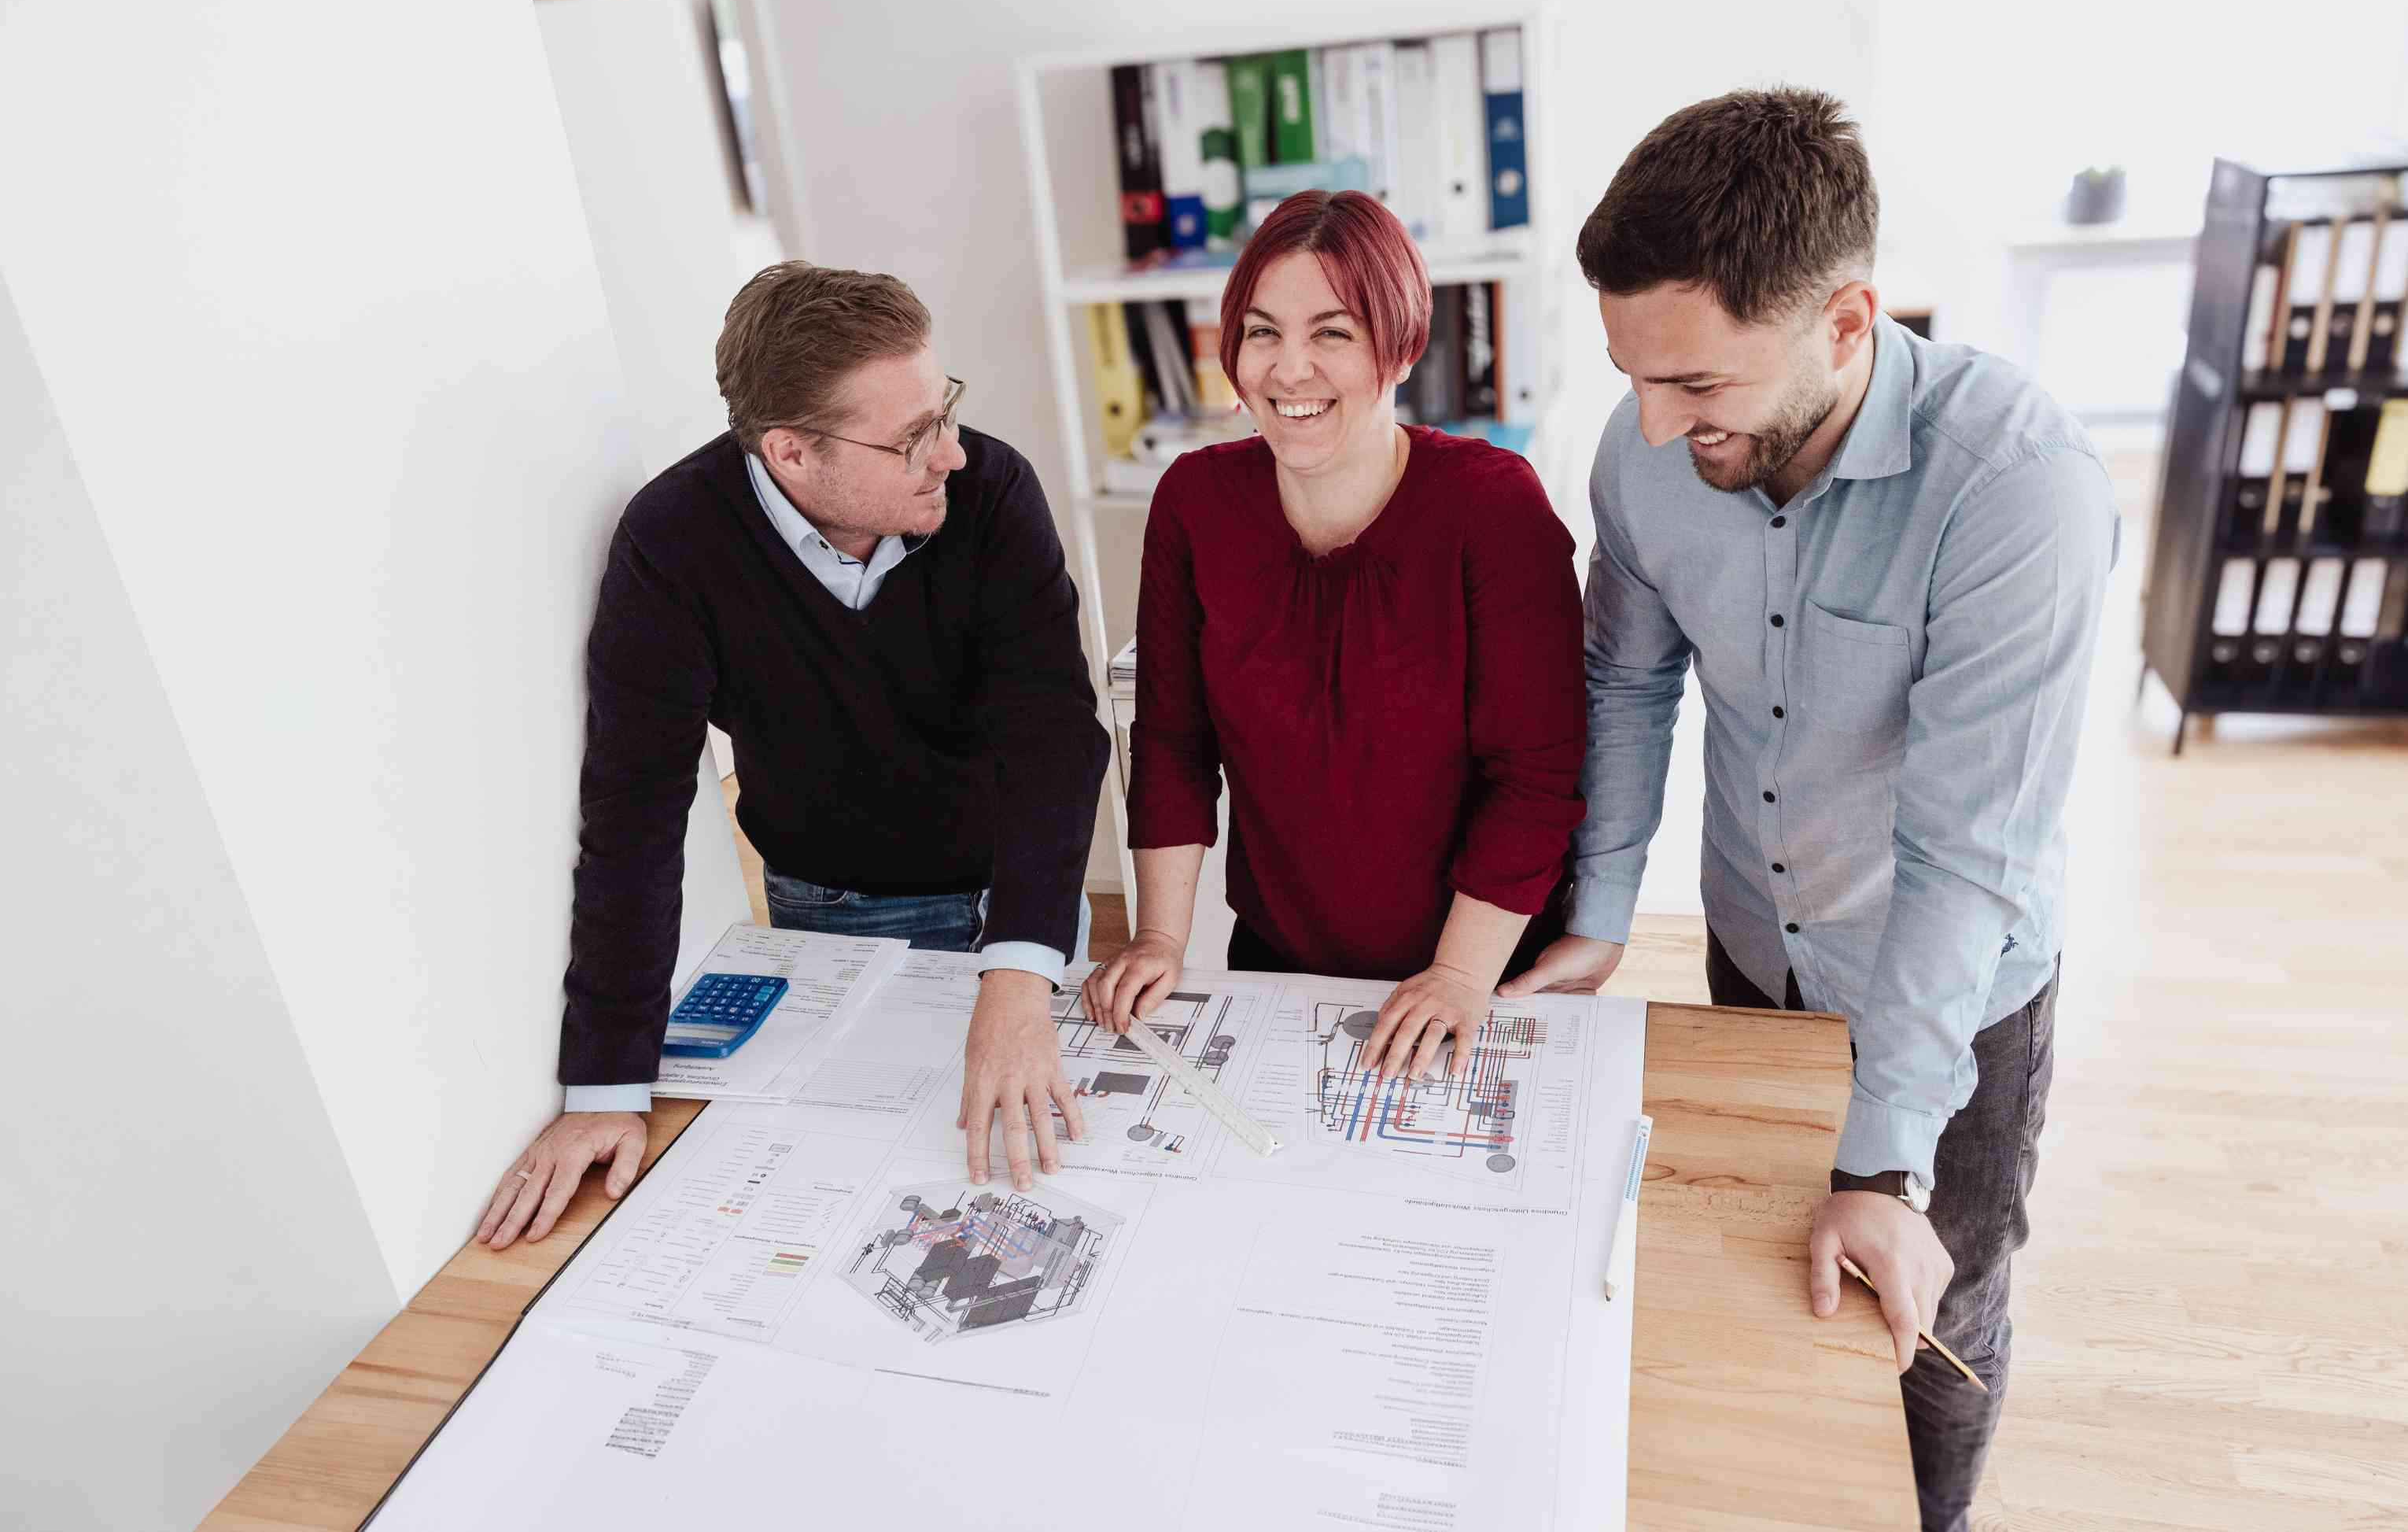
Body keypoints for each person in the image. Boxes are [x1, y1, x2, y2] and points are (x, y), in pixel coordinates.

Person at [1504, 90, 2118, 1531]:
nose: (1655, 424)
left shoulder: (2017, 491)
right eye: (1634, 377)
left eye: (1699, 388)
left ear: (1846, 322)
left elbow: (1968, 855)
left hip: (1956, 997)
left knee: (1929, 1318)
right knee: (1773, 1293)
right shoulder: (1645, 442)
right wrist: (1597, 915)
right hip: (1755, 948)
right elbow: (1626, 689)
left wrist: (1884, 1159)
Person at [478, 263, 1109, 1247]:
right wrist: (605, 1082)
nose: (949, 451)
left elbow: (1055, 734)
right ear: (791, 452)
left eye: (942, 406)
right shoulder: (671, 544)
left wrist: (1020, 969)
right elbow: (634, 814)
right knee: (875, 1203)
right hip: (842, 909)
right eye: (911, 437)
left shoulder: (989, 491)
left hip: (1021, 883)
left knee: (1051, 1173)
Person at [1084, 190, 1585, 1077]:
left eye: (1333, 333)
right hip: (1280, 958)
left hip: (1482, 966)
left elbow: (1535, 781)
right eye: (1262, 332)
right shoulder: (1194, 502)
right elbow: (1171, 740)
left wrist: (1460, 974)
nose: (1288, 370)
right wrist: (1159, 935)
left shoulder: (1492, 505)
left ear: (1400, 345)